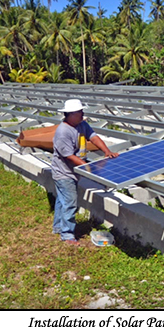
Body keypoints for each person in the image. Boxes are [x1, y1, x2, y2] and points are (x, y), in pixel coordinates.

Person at [51, 99, 119, 246]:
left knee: (62, 200)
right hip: (64, 172)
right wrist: (88, 168)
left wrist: (107, 151)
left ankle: (58, 227)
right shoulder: (63, 132)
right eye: (80, 112)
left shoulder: (82, 124)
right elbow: (69, 156)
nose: (83, 114)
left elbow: (93, 137)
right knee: (70, 203)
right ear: (70, 114)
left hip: (73, 171)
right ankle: (67, 235)